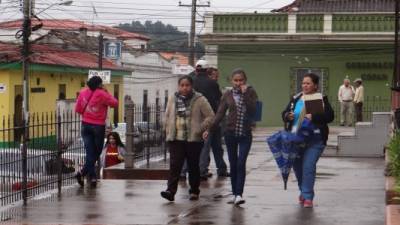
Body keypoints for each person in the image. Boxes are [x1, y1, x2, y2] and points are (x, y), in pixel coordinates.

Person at [205, 68, 258, 205]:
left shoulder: (251, 92)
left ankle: (239, 194)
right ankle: (235, 194)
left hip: (245, 134)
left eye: (241, 80)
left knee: (241, 163)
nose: (238, 83)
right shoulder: (227, 94)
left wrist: (245, 94)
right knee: (233, 164)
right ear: (232, 81)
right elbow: (220, 114)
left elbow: (254, 110)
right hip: (230, 133)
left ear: (245, 81)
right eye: (236, 80)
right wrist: (209, 129)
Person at [282, 73, 334, 208]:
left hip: (315, 140)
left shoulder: (320, 98)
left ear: (315, 85)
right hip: (296, 139)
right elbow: (284, 113)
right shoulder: (296, 98)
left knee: (308, 167)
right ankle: (303, 192)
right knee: (298, 169)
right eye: (303, 83)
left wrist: (314, 117)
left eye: (308, 83)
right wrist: (288, 116)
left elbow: (330, 116)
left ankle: (308, 196)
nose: (305, 85)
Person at [161, 75, 214, 202]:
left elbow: (211, 116)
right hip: (175, 138)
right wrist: (167, 129)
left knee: (193, 166)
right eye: (182, 85)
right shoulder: (173, 98)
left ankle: (194, 191)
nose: (184, 88)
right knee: (175, 166)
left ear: (191, 86)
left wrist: (200, 129)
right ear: (179, 86)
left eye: (187, 85)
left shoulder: (200, 99)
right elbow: (167, 115)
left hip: (193, 140)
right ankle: (170, 191)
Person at [184, 60, 228, 180]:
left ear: (196, 69)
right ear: (207, 70)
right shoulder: (212, 83)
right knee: (213, 146)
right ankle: (207, 170)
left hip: (194, 119)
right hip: (212, 118)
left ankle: (183, 172)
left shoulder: (190, 83)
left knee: (192, 145)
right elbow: (220, 99)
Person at [75, 76, 118, 188]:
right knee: (96, 152)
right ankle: (86, 174)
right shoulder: (102, 93)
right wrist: (106, 92)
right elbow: (115, 103)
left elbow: (78, 110)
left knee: (90, 152)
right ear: (99, 84)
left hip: (85, 126)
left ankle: (88, 175)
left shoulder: (83, 93)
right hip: (98, 126)